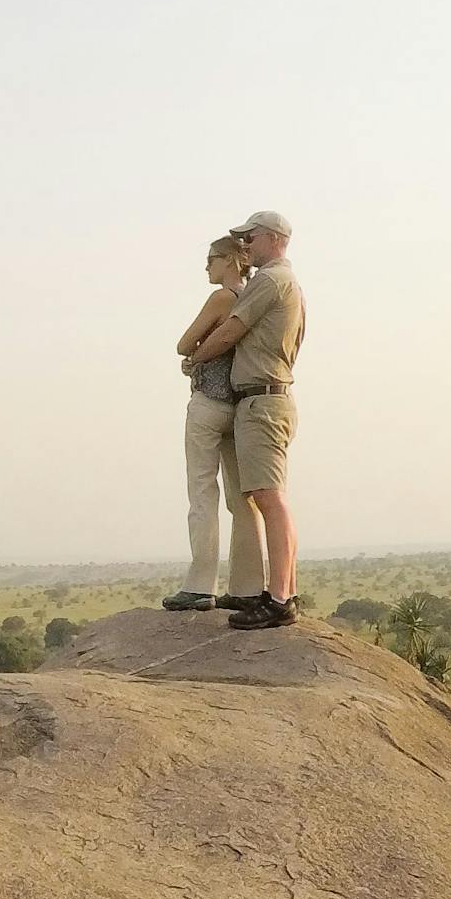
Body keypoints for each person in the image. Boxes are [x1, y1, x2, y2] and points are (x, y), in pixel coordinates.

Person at [181, 210, 305, 630]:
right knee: (258, 498)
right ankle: (269, 591)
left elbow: (230, 331)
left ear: (273, 238)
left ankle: (280, 597)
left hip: (262, 399)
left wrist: (195, 358)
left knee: (268, 498)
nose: (246, 246)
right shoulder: (286, 284)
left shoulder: (270, 281)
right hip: (265, 398)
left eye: (250, 238)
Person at [161, 233, 264, 612]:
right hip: (240, 405)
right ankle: (250, 585)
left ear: (230, 260)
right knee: (243, 499)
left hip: (208, 403)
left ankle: (201, 582)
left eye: (211, 259)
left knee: (203, 492)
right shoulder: (255, 297)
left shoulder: (224, 297)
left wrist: (196, 356)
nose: (207, 266)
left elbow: (184, 343)